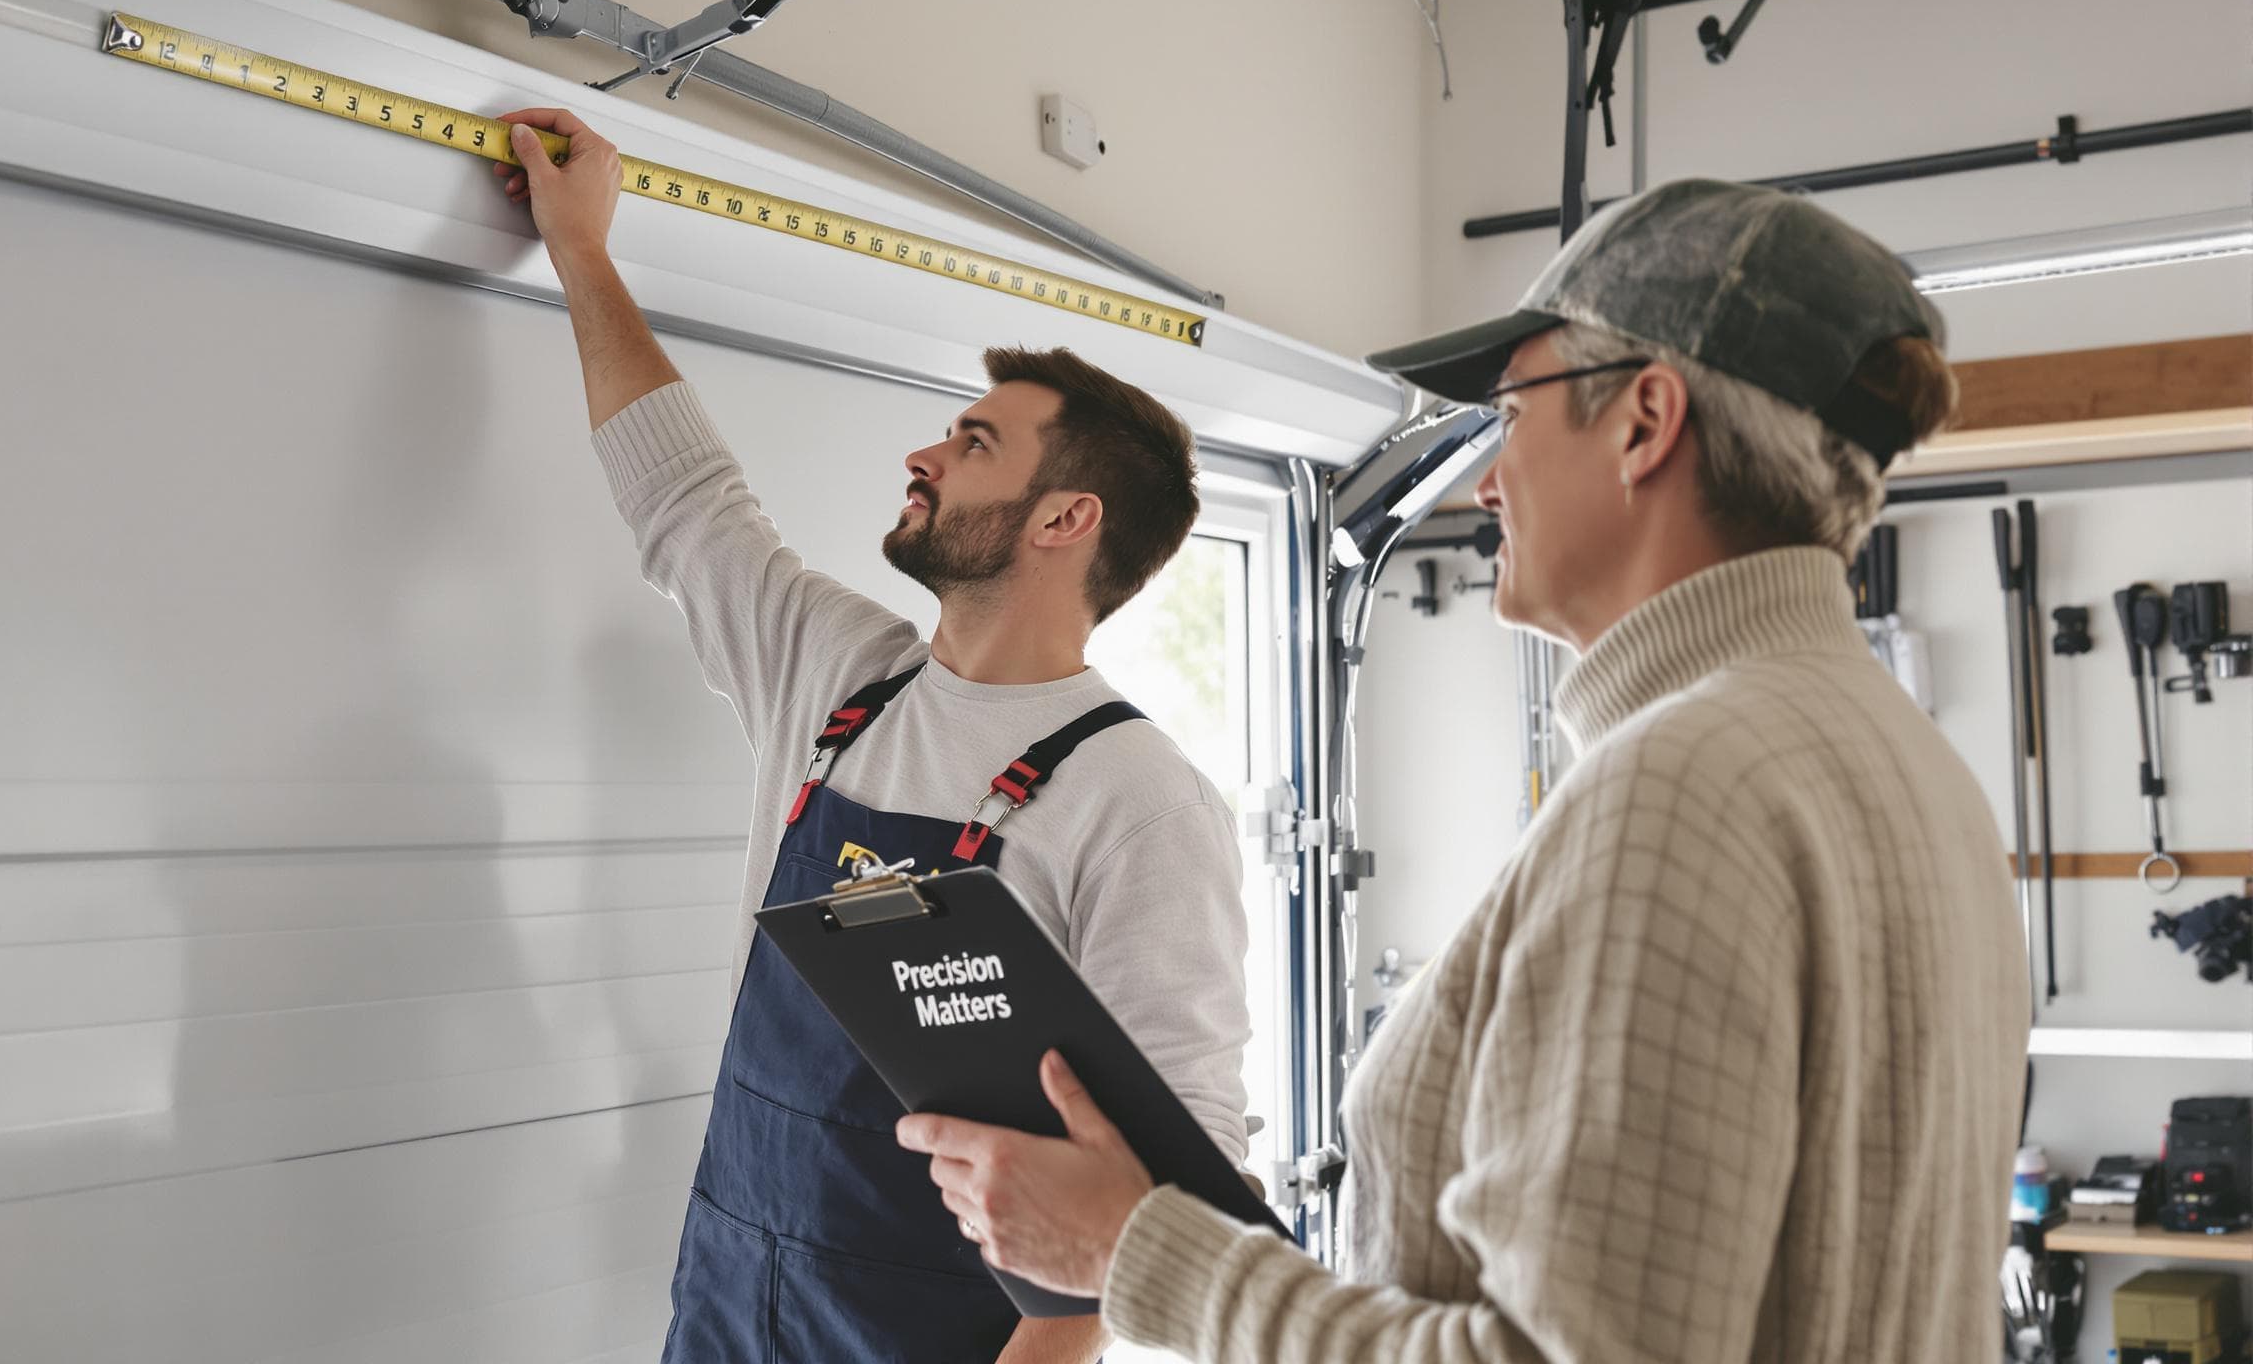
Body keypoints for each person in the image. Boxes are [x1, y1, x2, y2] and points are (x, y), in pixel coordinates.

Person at [900, 178, 2031, 1363]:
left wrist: (1134, 1254)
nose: (1484, 482)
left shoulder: (1681, 792)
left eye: (1512, 416)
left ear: (1645, 422)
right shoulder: (1907, 763)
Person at [492, 105, 1252, 1364]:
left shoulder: (1138, 800)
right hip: (727, 1311)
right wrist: (585, 253)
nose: (924, 453)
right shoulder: (840, 679)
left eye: (971, 443)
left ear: (1064, 520)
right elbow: (685, 501)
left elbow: (1161, 1195)